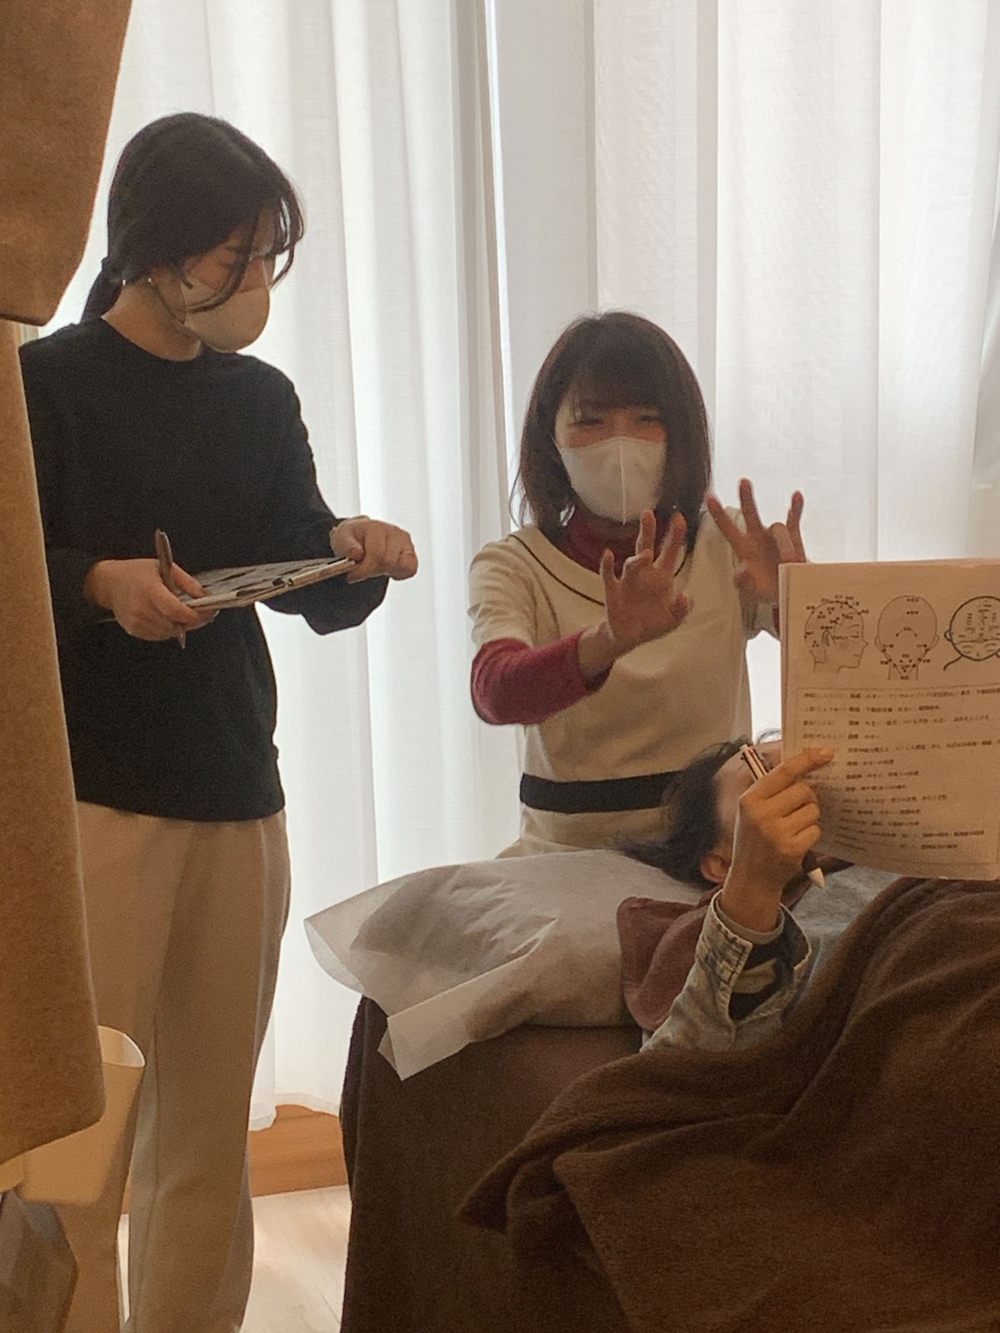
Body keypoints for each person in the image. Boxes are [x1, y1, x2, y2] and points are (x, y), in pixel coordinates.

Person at [20, 112, 417, 1333]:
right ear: (154, 247)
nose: (254, 282)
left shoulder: (258, 399)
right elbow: (16, 574)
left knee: (204, 1142)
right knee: (77, 1147)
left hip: (240, 792)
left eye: (265, 256)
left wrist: (354, 550)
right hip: (93, 804)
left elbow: (304, 571)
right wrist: (102, 584)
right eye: (233, 253)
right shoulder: (45, 384)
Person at [468, 311, 806, 856]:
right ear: (549, 439)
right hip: (568, 857)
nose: (620, 444)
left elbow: (848, 667)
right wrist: (606, 642)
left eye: (648, 418)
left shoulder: (727, 544)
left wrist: (797, 599)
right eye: (591, 421)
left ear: (681, 435)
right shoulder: (515, 564)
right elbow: (496, 692)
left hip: (715, 849)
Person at [622, 739, 897, 1051]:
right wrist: (752, 886)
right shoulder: (720, 932)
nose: (800, 792)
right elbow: (674, 1067)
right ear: (722, 863)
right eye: (764, 775)